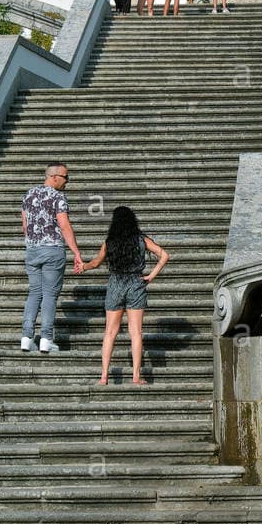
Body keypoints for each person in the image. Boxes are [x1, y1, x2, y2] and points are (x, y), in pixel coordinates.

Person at [83, 205, 169, 385]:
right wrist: (151, 276)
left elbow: (97, 262)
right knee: (136, 332)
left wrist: (83, 266)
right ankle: (136, 376)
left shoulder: (109, 242)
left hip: (115, 284)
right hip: (136, 284)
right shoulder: (141, 240)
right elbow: (164, 256)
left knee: (110, 332)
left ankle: (104, 376)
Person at [21, 163, 84, 354]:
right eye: (66, 177)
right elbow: (64, 226)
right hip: (53, 250)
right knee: (49, 295)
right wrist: (76, 252)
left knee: (34, 293)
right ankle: (46, 339)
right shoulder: (58, 197)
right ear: (54, 177)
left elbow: (25, 226)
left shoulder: (28, 195)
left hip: (32, 250)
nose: (67, 182)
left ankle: (26, 337)